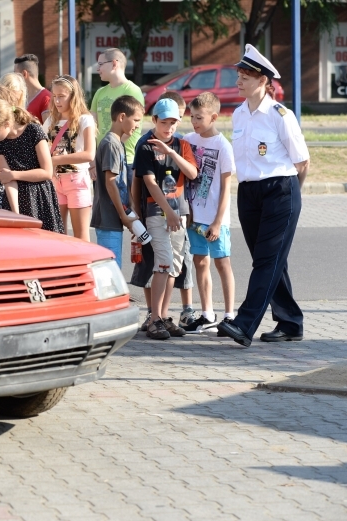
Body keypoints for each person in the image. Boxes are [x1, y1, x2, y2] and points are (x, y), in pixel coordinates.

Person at [217, 45, 310, 348]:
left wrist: (293, 194)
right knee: (269, 260)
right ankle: (291, 322)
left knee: (267, 262)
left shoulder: (280, 115)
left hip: (280, 190)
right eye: (239, 75)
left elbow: (302, 161)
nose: (239, 81)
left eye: (245, 76)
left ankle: (244, 324)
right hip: (249, 192)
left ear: (263, 82)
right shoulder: (240, 114)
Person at [130, 91, 198, 332]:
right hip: (157, 212)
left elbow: (192, 173)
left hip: (179, 212)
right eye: (164, 122)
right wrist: (166, 211)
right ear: (154, 120)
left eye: (173, 123)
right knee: (163, 263)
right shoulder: (146, 147)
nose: (168, 127)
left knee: (174, 266)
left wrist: (171, 153)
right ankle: (154, 318)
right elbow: (148, 182)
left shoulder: (182, 145)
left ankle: (163, 316)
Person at [183, 92, 236, 332]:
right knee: (199, 262)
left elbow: (226, 188)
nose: (194, 122)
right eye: (192, 117)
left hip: (216, 220)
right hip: (194, 216)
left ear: (214, 117)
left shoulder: (223, 146)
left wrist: (217, 222)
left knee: (222, 263)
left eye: (199, 118)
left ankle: (229, 315)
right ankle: (207, 314)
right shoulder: (188, 139)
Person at [0, 99, 63, 233]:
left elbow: (46, 172)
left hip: (39, 196)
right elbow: (7, 179)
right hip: (14, 199)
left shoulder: (34, 131)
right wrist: (16, 213)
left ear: (7, 124)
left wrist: (14, 174)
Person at [42, 75, 96, 241]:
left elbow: (89, 154)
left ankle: (84, 266)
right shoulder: (50, 120)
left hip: (77, 181)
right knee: (58, 235)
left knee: (81, 237)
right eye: (55, 96)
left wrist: (55, 160)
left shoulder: (85, 120)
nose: (57, 101)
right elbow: (42, 148)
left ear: (73, 96)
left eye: (62, 96)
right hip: (54, 181)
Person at [92, 95, 142, 269]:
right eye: (135, 120)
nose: (137, 125)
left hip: (114, 218)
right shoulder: (111, 144)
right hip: (108, 218)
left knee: (113, 268)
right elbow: (111, 182)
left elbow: (122, 182)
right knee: (111, 271)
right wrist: (123, 215)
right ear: (122, 117)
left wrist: (131, 206)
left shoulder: (119, 143)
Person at [90, 48, 144, 188]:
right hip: (101, 162)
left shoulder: (132, 90)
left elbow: (133, 127)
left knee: (126, 208)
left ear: (114, 64)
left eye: (100, 64)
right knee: (103, 208)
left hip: (124, 160)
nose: (97, 68)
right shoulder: (100, 92)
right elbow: (91, 128)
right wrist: (93, 161)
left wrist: (112, 152)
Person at [13, 54, 51, 123]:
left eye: (15, 73)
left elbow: (48, 132)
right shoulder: (22, 97)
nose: (14, 77)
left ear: (24, 74)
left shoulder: (47, 99)